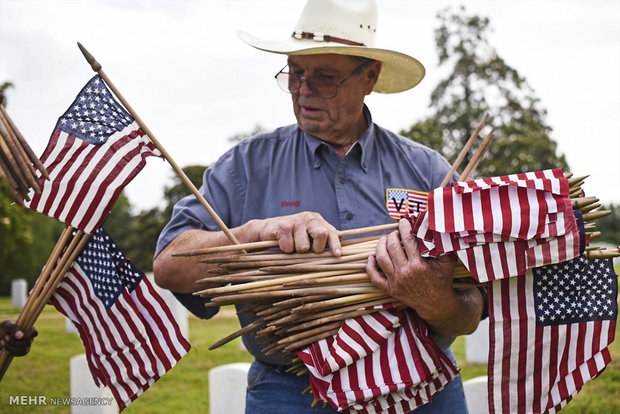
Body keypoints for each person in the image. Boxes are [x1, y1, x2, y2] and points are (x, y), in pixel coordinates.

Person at [154, 1, 484, 412]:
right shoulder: (245, 167)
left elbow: (472, 310)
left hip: (420, 380)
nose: (303, 89)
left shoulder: (428, 172)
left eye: (325, 77)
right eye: (295, 72)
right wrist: (255, 234)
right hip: (290, 391)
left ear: (369, 76)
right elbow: (169, 264)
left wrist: (437, 302)